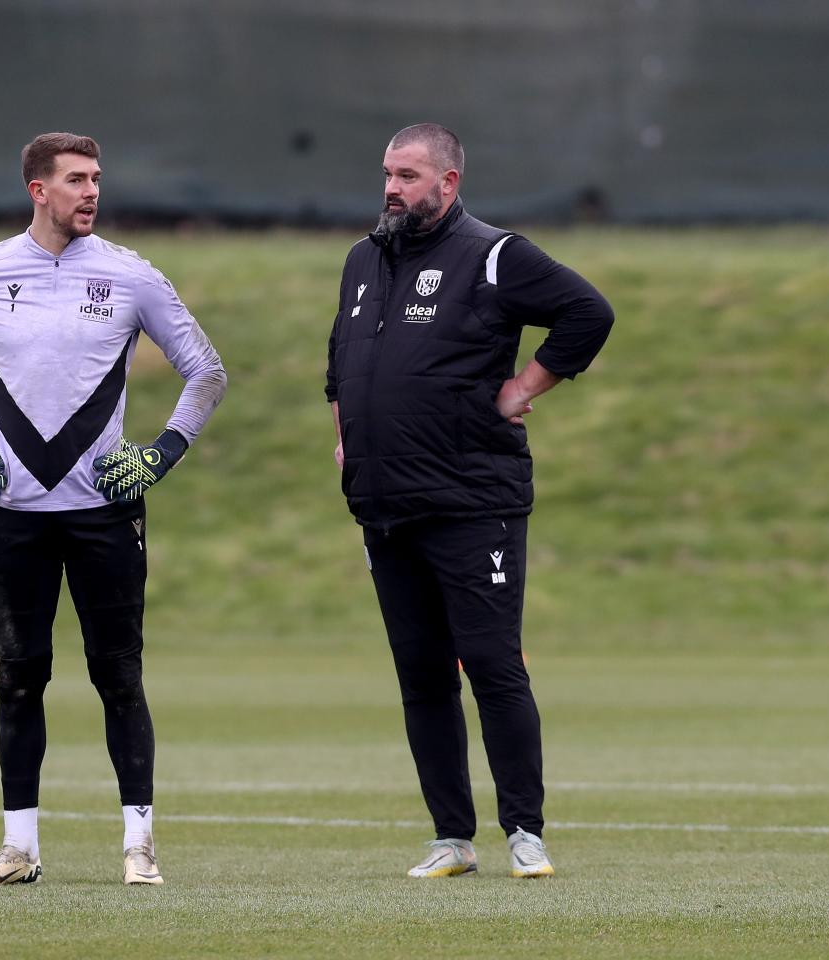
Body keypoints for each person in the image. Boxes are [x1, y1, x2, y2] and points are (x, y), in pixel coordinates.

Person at [0, 132, 226, 887]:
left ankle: (139, 848)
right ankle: (20, 852)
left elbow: (205, 371)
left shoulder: (130, 275)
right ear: (36, 189)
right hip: (12, 514)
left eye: (97, 179)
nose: (92, 192)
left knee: (119, 676)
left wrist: (160, 454)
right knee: (17, 678)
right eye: (76, 179)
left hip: (104, 517)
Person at [325, 123, 613, 879]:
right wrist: (347, 437)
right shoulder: (362, 260)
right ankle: (452, 837)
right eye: (388, 173)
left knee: (491, 664)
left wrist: (524, 388)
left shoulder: (494, 255)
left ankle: (526, 831)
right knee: (421, 676)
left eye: (410, 175)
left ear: (448, 184)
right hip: (385, 507)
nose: (393, 187)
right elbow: (341, 369)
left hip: (472, 503)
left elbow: (589, 312)